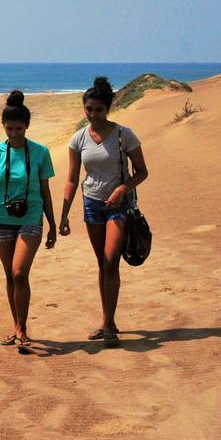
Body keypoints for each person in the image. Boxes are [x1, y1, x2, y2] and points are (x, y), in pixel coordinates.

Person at [59, 76, 149, 347]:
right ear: (83, 108)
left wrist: (122, 189)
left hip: (119, 206)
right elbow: (72, 179)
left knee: (111, 260)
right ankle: (107, 321)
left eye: (99, 109)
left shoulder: (124, 134)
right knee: (102, 264)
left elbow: (142, 171)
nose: (93, 114)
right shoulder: (78, 139)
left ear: (108, 108)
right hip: (92, 205)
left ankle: (108, 324)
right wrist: (63, 215)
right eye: (89, 109)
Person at [0, 90, 57, 351]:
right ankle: (17, 327)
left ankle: (23, 328)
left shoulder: (40, 152)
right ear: (3, 127)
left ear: (27, 126)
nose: (14, 133)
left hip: (31, 217)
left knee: (20, 272)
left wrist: (52, 224)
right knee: (10, 276)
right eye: (9, 129)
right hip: (1, 217)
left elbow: (45, 190)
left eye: (19, 128)